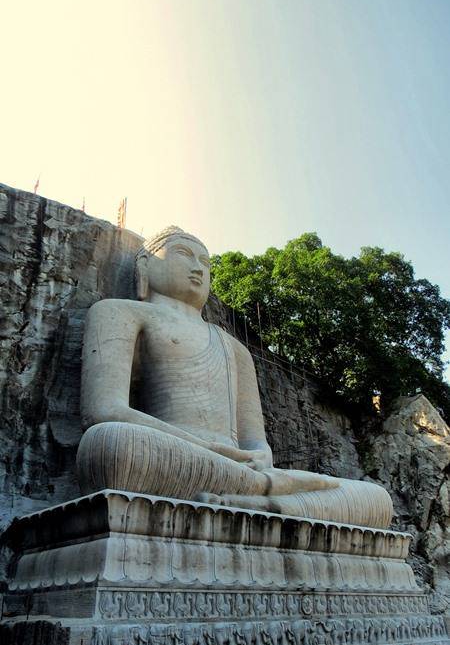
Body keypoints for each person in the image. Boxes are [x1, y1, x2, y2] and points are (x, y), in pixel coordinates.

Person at [76, 226, 392, 528]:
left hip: (239, 470)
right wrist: (210, 450)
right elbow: (104, 411)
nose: (198, 267)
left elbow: (257, 444)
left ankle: (257, 502)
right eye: (184, 254)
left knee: (376, 499)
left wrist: (257, 457)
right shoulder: (119, 313)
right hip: (179, 455)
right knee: (109, 444)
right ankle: (272, 502)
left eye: (205, 261)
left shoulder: (234, 348)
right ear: (145, 264)